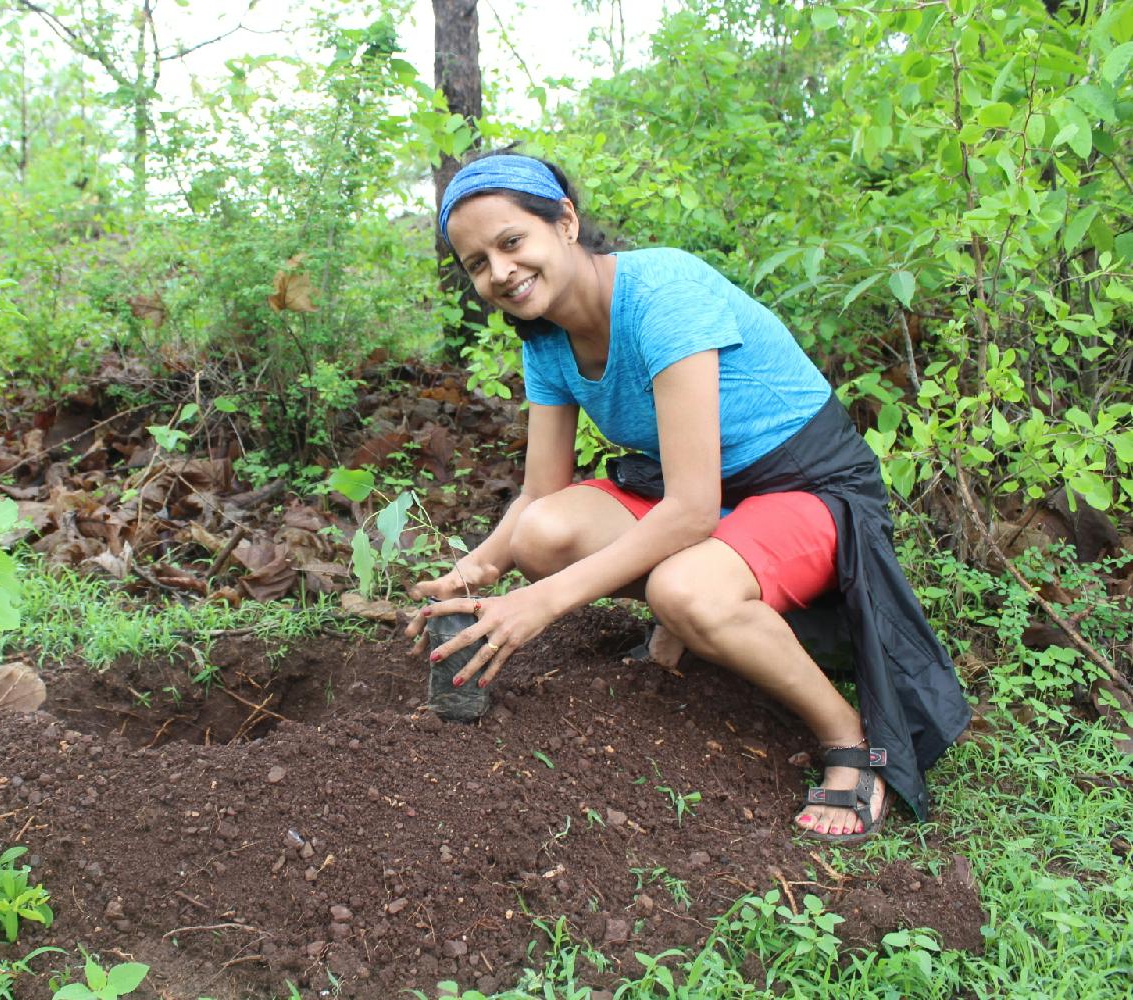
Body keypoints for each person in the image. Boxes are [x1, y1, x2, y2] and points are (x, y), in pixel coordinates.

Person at [405, 150, 970, 843]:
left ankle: (850, 739)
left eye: (511, 241)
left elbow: (693, 510)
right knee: (540, 533)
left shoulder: (659, 293)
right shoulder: (544, 337)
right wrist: (480, 569)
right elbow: (539, 492)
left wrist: (539, 603)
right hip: (697, 491)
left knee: (686, 591)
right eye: (477, 263)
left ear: (566, 223)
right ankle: (700, 610)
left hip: (806, 485)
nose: (500, 271)